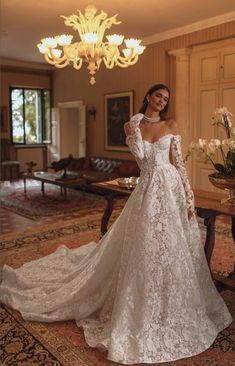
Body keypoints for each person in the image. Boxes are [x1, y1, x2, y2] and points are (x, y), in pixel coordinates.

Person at [0, 83, 232, 364]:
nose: (162, 101)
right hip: (147, 190)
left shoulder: (171, 124)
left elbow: (178, 163)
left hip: (170, 188)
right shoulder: (131, 125)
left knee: (174, 245)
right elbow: (142, 159)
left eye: (166, 98)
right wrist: (135, 127)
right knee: (144, 245)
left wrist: (188, 198)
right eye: (158, 96)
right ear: (148, 96)